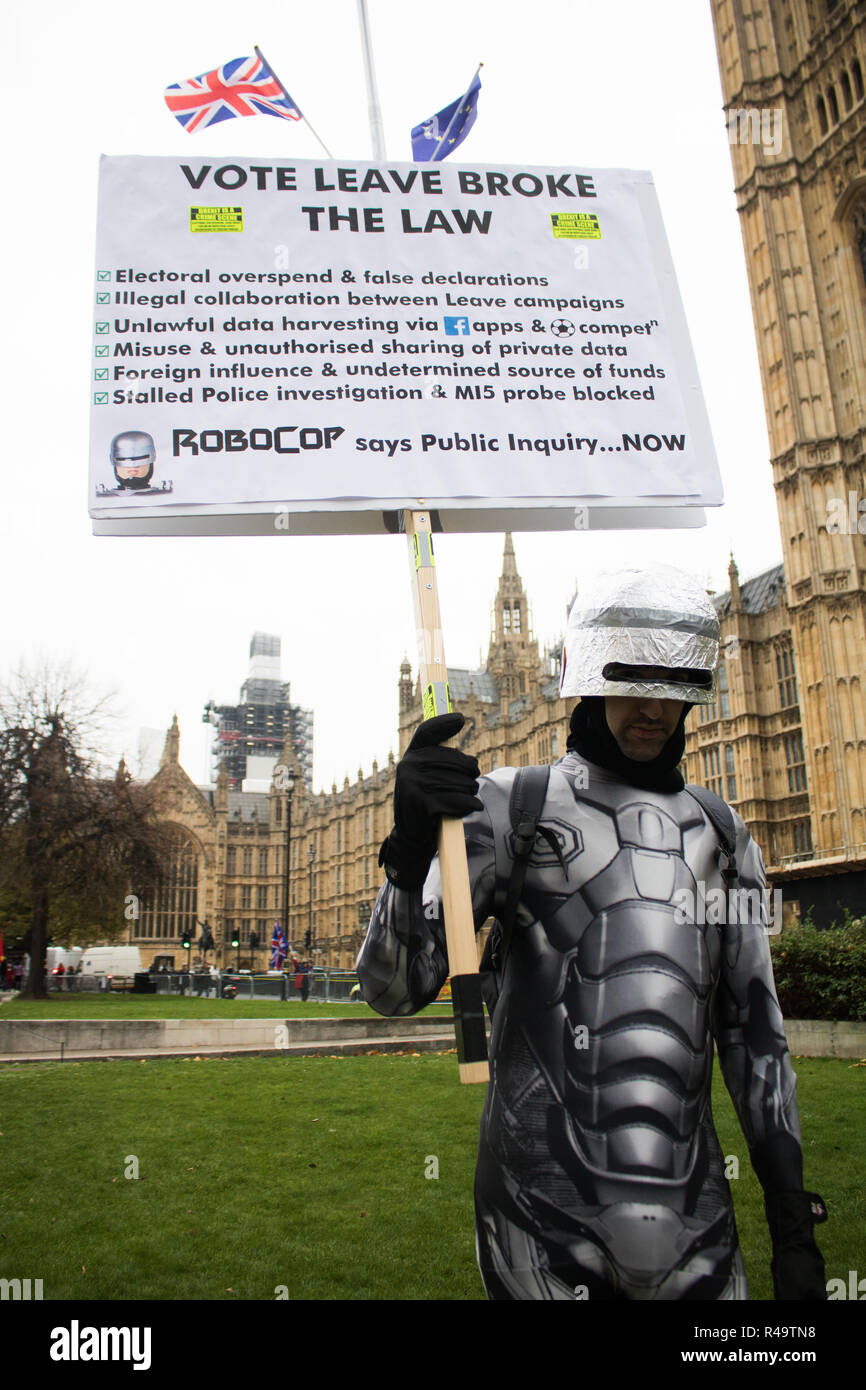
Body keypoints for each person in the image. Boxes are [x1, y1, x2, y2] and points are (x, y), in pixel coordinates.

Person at [357, 562, 827, 1302]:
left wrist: (794, 1226)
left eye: (669, 687)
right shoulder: (509, 807)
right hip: (536, 1230)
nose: (652, 709)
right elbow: (391, 989)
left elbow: (755, 1040)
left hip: (698, 1233)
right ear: (588, 677)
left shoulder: (726, 836)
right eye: (631, 682)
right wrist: (408, 852)